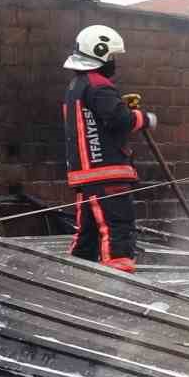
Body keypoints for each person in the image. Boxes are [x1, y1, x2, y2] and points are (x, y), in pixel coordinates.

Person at [61, 25, 155, 273]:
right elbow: (119, 121)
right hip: (106, 172)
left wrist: (119, 106)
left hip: (85, 175)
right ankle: (119, 284)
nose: (113, 62)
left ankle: (75, 276)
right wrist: (144, 118)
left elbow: (98, 116)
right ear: (100, 54)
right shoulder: (98, 84)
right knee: (118, 228)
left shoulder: (76, 87)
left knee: (88, 235)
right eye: (111, 56)